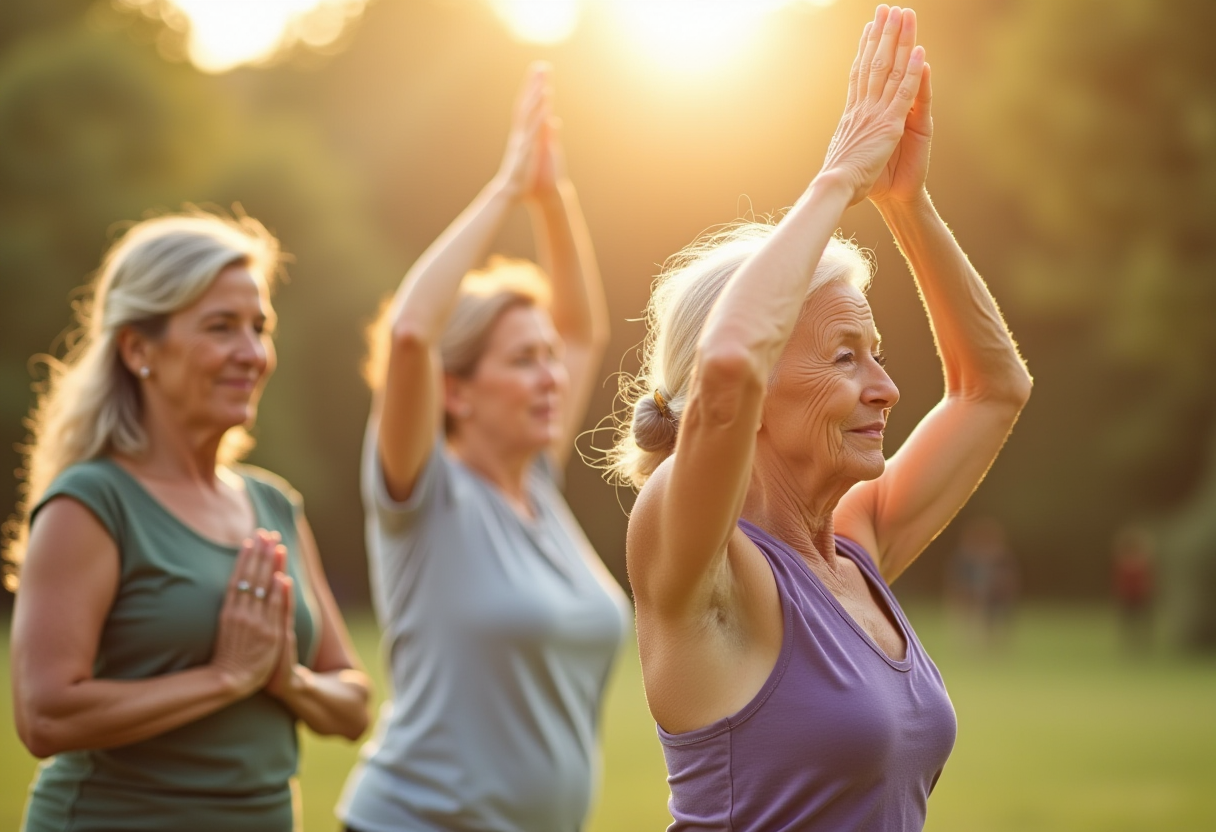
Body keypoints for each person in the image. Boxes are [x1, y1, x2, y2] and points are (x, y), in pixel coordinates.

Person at [606, 6, 1032, 830]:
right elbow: (726, 368)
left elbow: (993, 387)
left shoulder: (856, 544)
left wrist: (905, 203)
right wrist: (838, 179)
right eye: (846, 356)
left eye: (875, 354)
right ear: (758, 389)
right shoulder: (701, 564)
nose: (885, 388)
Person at [7, 211, 371, 832]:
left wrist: (288, 681)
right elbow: (46, 716)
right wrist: (225, 678)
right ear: (138, 348)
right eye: (221, 327)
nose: (252, 353)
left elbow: (354, 701)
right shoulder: (91, 502)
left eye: (260, 327)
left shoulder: (274, 505)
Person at [338, 63, 628, 832]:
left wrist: (552, 195)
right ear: (455, 391)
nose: (551, 377)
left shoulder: (539, 485)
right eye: (522, 361)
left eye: (546, 359)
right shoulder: (420, 494)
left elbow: (583, 329)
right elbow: (410, 333)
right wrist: (504, 188)